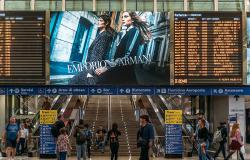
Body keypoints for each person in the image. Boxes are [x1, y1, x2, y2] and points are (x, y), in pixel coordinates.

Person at [97, 11, 151, 85]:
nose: (122, 19)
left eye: (125, 17)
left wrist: (107, 67)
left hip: (124, 74)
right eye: (122, 17)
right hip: (117, 71)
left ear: (132, 19)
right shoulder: (127, 33)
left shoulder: (135, 31)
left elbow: (128, 56)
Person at [69, 14, 114, 85]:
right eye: (98, 20)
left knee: (74, 82)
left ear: (107, 23)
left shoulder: (105, 35)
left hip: (93, 68)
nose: (98, 22)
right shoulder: (101, 34)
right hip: (91, 67)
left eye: (101, 20)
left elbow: (98, 54)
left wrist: (91, 71)